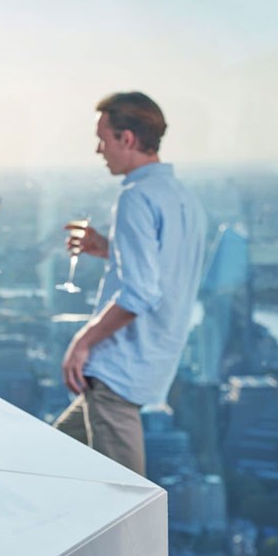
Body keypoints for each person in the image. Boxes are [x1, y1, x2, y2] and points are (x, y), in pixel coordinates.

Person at [53, 91, 206, 479]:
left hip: (118, 372)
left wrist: (83, 342)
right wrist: (108, 248)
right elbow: (163, 272)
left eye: (103, 138)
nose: (98, 149)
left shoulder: (136, 198)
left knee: (125, 505)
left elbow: (140, 294)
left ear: (128, 139)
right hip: (149, 364)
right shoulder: (183, 199)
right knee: (50, 459)